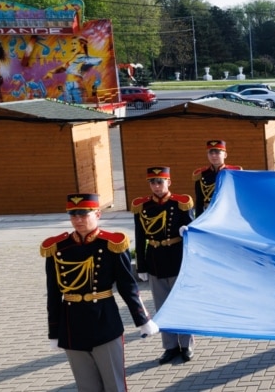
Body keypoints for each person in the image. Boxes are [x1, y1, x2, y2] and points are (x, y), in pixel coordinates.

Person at [42, 194, 158, 391]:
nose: (78, 220)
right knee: (86, 386)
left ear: (97, 214)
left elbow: (127, 286)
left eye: (83, 214)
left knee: (114, 384)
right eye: (73, 215)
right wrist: (54, 331)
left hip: (104, 321)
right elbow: (53, 294)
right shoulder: (58, 247)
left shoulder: (111, 244)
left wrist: (143, 319)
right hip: (72, 324)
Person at [132, 166, 196, 365]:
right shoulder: (142, 206)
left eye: (160, 182)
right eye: (153, 182)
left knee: (181, 304)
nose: (157, 186)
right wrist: (141, 265)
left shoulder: (181, 203)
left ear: (169, 182)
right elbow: (140, 236)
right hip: (155, 260)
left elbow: (192, 232)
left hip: (177, 258)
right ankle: (170, 346)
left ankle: (186, 345)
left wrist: (188, 234)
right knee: (162, 307)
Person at [45, 36, 102, 104]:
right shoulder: (73, 58)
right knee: (68, 106)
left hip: (77, 85)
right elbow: (63, 68)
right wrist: (51, 72)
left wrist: (83, 62)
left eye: (75, 43)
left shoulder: (85, 58)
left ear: (82, 44)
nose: (73, 45)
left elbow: (99, 60)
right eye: (72, 44)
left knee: (79, 106)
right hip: (67, 85)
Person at [193, 140, 243, 215]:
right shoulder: (202, 174)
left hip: (229, 213)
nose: (213, 155)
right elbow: (199, 201)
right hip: (209, 214)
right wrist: (198, 219)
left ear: (225, 155)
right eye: (211, 153)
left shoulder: (234, 173)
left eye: (217, 152)